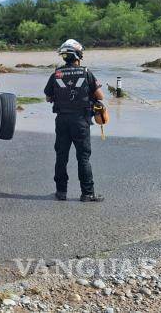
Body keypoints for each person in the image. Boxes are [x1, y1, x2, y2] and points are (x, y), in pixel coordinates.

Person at [43, 39, 105, 202]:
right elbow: (100, 96)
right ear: (78, 55)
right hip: (80, 121)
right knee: (83, 157)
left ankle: (61, 192)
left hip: (62, 120)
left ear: (64, 56)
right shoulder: (86, 72)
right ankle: (87, 193)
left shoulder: (56, 74)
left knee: (61, 156)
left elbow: (48, 96)